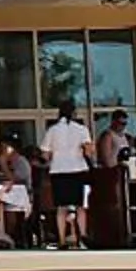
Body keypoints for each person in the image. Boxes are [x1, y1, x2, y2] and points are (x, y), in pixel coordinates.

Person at [39, 99, 96, 250]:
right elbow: (89, 150)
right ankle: (82, 236)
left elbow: (45, 154)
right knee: (80, 206)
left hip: (58, 170)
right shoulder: (81, 129)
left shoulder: (52, 130)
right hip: (78, 169)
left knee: (61, 208)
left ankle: (63, 239)